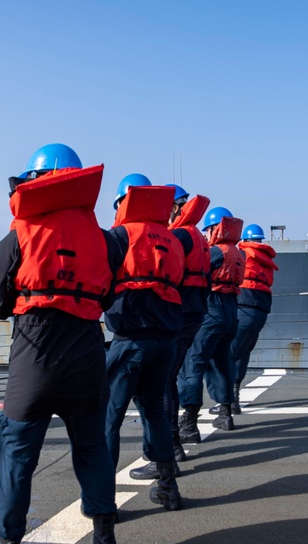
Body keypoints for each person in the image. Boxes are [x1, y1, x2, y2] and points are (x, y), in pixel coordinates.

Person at [0, 143, 120, 544]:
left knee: (15, 456)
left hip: (35, 358)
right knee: (94, 449)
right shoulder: (104, 238)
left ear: (35, 180)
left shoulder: (19, 233)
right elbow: (108, 295)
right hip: (86, 355)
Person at [104, 177, 187, 510]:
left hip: (130, 342)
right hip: (165, 341)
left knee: (108, 418)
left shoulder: (120, 236)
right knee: (155, 411)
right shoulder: (173, 238)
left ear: (123, 202)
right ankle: (168, 487)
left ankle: (103, 500)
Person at [133, 186, 211, 470]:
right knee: (169, 377)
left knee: (161, 380)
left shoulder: (179, 235)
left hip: (178, 313)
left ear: (175, 208)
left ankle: (167, 451)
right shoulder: (198, 236)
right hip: (196, 311)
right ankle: (173, 443)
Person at [176, 207, 245, 441]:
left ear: (216, 228)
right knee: (222, 361)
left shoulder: (215, 252)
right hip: (231, 311)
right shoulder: (239, 252)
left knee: (193, 362)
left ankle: (189, 424)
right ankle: (226, 413)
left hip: (212, 309)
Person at [209, 223, 278, 415]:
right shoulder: (265, 259)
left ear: (245, 240)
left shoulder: (243, 253)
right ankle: (235, 397)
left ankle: (228, 403)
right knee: (243, 353)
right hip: (260, 312)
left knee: (227, 354)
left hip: (243, 309)